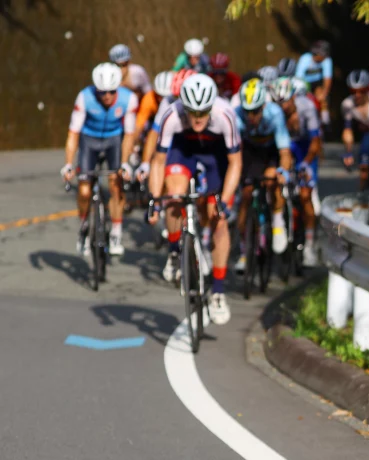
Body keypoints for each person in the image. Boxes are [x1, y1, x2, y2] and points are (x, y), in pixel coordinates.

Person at [148, 73, 241, 325]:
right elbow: (157, 162)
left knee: (218, 219)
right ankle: (174, 251)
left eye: (203, 112)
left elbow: (235, 163)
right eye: (192, 111)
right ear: (183, 106)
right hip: (183, 150)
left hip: (215, 156)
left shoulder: (226, 115)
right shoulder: (171, 115)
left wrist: (225, 200)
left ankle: (219, 292)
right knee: (175, 195)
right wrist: (155, 199)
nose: (198, 118)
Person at [61, 63, 138, 257]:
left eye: (112, 92)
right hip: (90, 141)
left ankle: (116, 233)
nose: (107, 97)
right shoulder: (84, 97)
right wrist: (69, 164)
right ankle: (84, 228)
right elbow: (73, 133)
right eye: (102, 92)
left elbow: (129, 135)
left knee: (115, 183)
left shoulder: (129, 99)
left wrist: (125, 163)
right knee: (85, 190)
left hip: (114, 140)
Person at [232, 78, 293, 272]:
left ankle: (277, 222)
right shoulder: (236, 116)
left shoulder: (274, 114)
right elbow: (232, 150)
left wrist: (282, 171)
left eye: (256, 111)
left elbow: (284, 151)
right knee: (246, 195)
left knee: (271, 180)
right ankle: (244, 250)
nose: (251, 116)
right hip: (251, 152)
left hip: (271, 152)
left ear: (263, 106)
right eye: (247, 111)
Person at [272, 76, 321, 267]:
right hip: (285, 147)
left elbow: (316, 141)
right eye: (279, 103)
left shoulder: (307, 107)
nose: (283, 107)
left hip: (305, 148)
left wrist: (307, 163)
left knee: (305, 194)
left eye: (286, 102)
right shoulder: (275, 113)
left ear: (294, 97)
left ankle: (309, 244)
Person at [295, 40, 333, 125]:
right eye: (324, 54)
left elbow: (327, 79)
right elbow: (298, 79)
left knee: (322, 98)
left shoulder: (327, 60)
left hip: (317, 83)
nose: (325, 57)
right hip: (304, 84)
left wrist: (324, 94)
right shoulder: (305, 59)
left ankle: (325, 123)